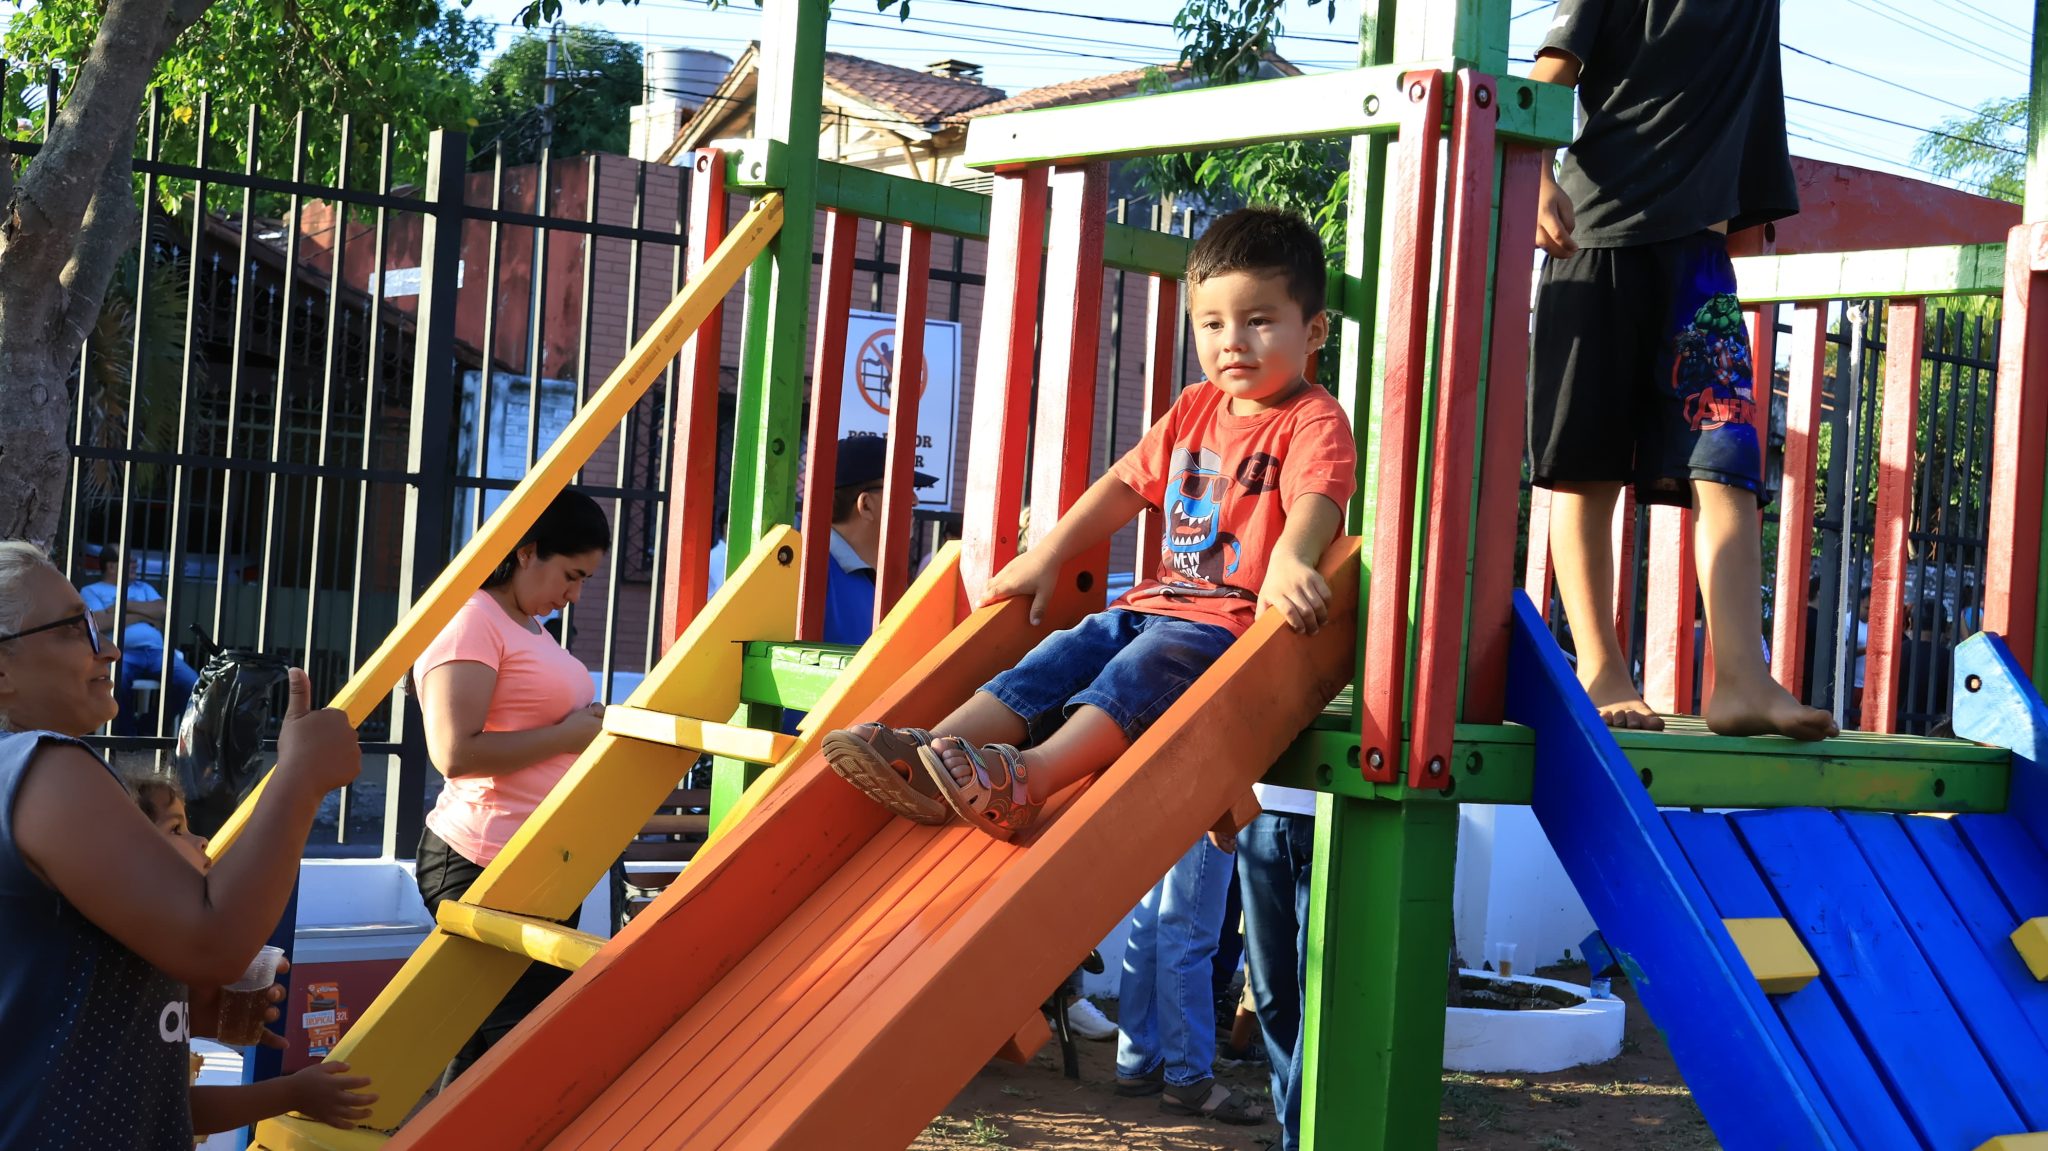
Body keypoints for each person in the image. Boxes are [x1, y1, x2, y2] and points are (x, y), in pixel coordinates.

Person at [820, 207, 1355, 1123]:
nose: (1232, 341)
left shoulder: (1312, 417)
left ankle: (1027, 777)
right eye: (1212, 322)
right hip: (1152, 598)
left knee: (1136, 673)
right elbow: (1122, 486)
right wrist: (1048, 553)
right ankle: (932, 750)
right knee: (1064, 652)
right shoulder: (1194, 408)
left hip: (1225, 626)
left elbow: (1319, 496)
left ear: (1313, 331)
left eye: (1259, 320)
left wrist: (1293, 560)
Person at [1528, 0, 1836, 741]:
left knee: (1728, 462)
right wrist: (1534, 174)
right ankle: (1601, 669)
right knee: (1587, 468)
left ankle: (1742, 677)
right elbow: (1550, 74)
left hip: (1698, 263)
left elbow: (1753, 111)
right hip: (1595, 243)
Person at [0, 539, 360, 1149]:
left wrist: (170, 1011)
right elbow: (212, 942)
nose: (109, 648)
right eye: (73, 629)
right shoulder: (44, 767)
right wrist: (300, 779)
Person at [411, 489, 613, 1085]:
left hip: (538, 864)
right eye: (572, 575)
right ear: (527, 551)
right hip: (483, 860)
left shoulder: (525, 625)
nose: (574, 596)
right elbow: (454, 752)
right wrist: (568, 735)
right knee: (526, 1051)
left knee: (484, 1051)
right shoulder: (472, 620)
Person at [124, 771, 378, 1135]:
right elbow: (174, 1109)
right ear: (127, 856)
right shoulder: (126, 970)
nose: (202, 840)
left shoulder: (158, 957)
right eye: (176, 829)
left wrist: (196, 1018)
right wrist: (293, 1093)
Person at [1234, 780, 1316, 1148]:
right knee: (1269, 992)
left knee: (1314, 989)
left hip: (1340, 814)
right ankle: (1293, 1130)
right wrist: (1223, 801)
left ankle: (1298, 1138)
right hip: (1262, 811)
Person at [79, 545, 200, 735]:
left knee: (193, 684)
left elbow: (162, 610)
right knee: (117, 682)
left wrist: (122, 606)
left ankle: (148, 729)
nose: (135, 564)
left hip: (157, 653)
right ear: (111, 566)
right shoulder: (91, 591)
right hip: (120, 653)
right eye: (129, 561)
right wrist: (144, 616)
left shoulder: (144, 588)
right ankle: (125, 737)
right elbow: (100, 623)